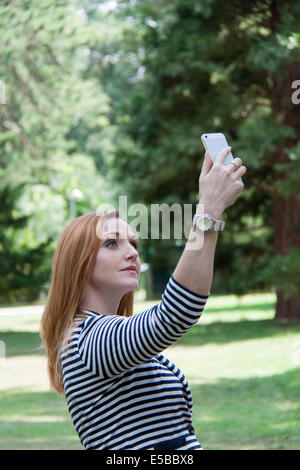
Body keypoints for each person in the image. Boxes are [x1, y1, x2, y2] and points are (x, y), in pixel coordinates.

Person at [40, 147, 246, 450]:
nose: (132, 252)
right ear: (78, 263)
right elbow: (174, 315)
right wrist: (209, 208)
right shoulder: (88, 340)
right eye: (112, 243)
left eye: (133, 243)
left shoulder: (100, 335)